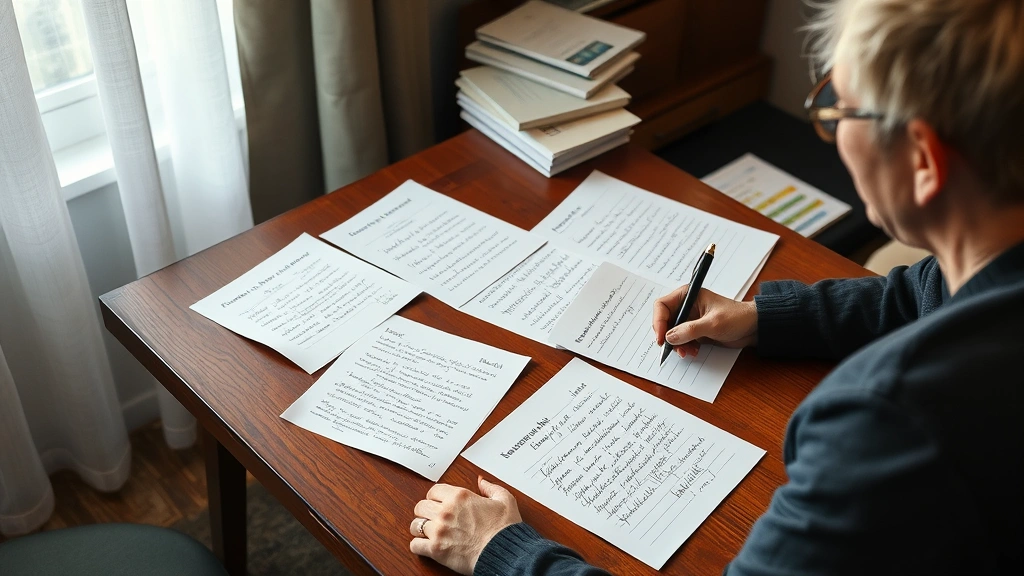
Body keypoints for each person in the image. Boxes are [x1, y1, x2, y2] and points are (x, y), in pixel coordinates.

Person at [408, 0, 1024, 573]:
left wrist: (502, 551)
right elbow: (927, 293)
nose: (834, 133)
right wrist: (765, 318)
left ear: (922, 159)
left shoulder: (885, 422)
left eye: (838, 108)